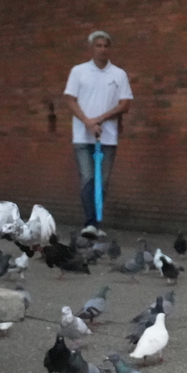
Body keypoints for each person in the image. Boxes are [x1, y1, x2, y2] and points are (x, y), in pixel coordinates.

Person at [62, 30, 133, 236]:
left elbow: (125, 104)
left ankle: (94, 224)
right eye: (98, 45)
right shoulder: (79, 71)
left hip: (107, 137)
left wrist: (99, 120)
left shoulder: (119, 74)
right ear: (91, 48)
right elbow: (69, 99)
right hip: (82, 137)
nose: (102, 49)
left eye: (105, 46)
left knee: (102, 181)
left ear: (110, 49)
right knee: (88, 178)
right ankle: (90, 223)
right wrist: (87, 122)